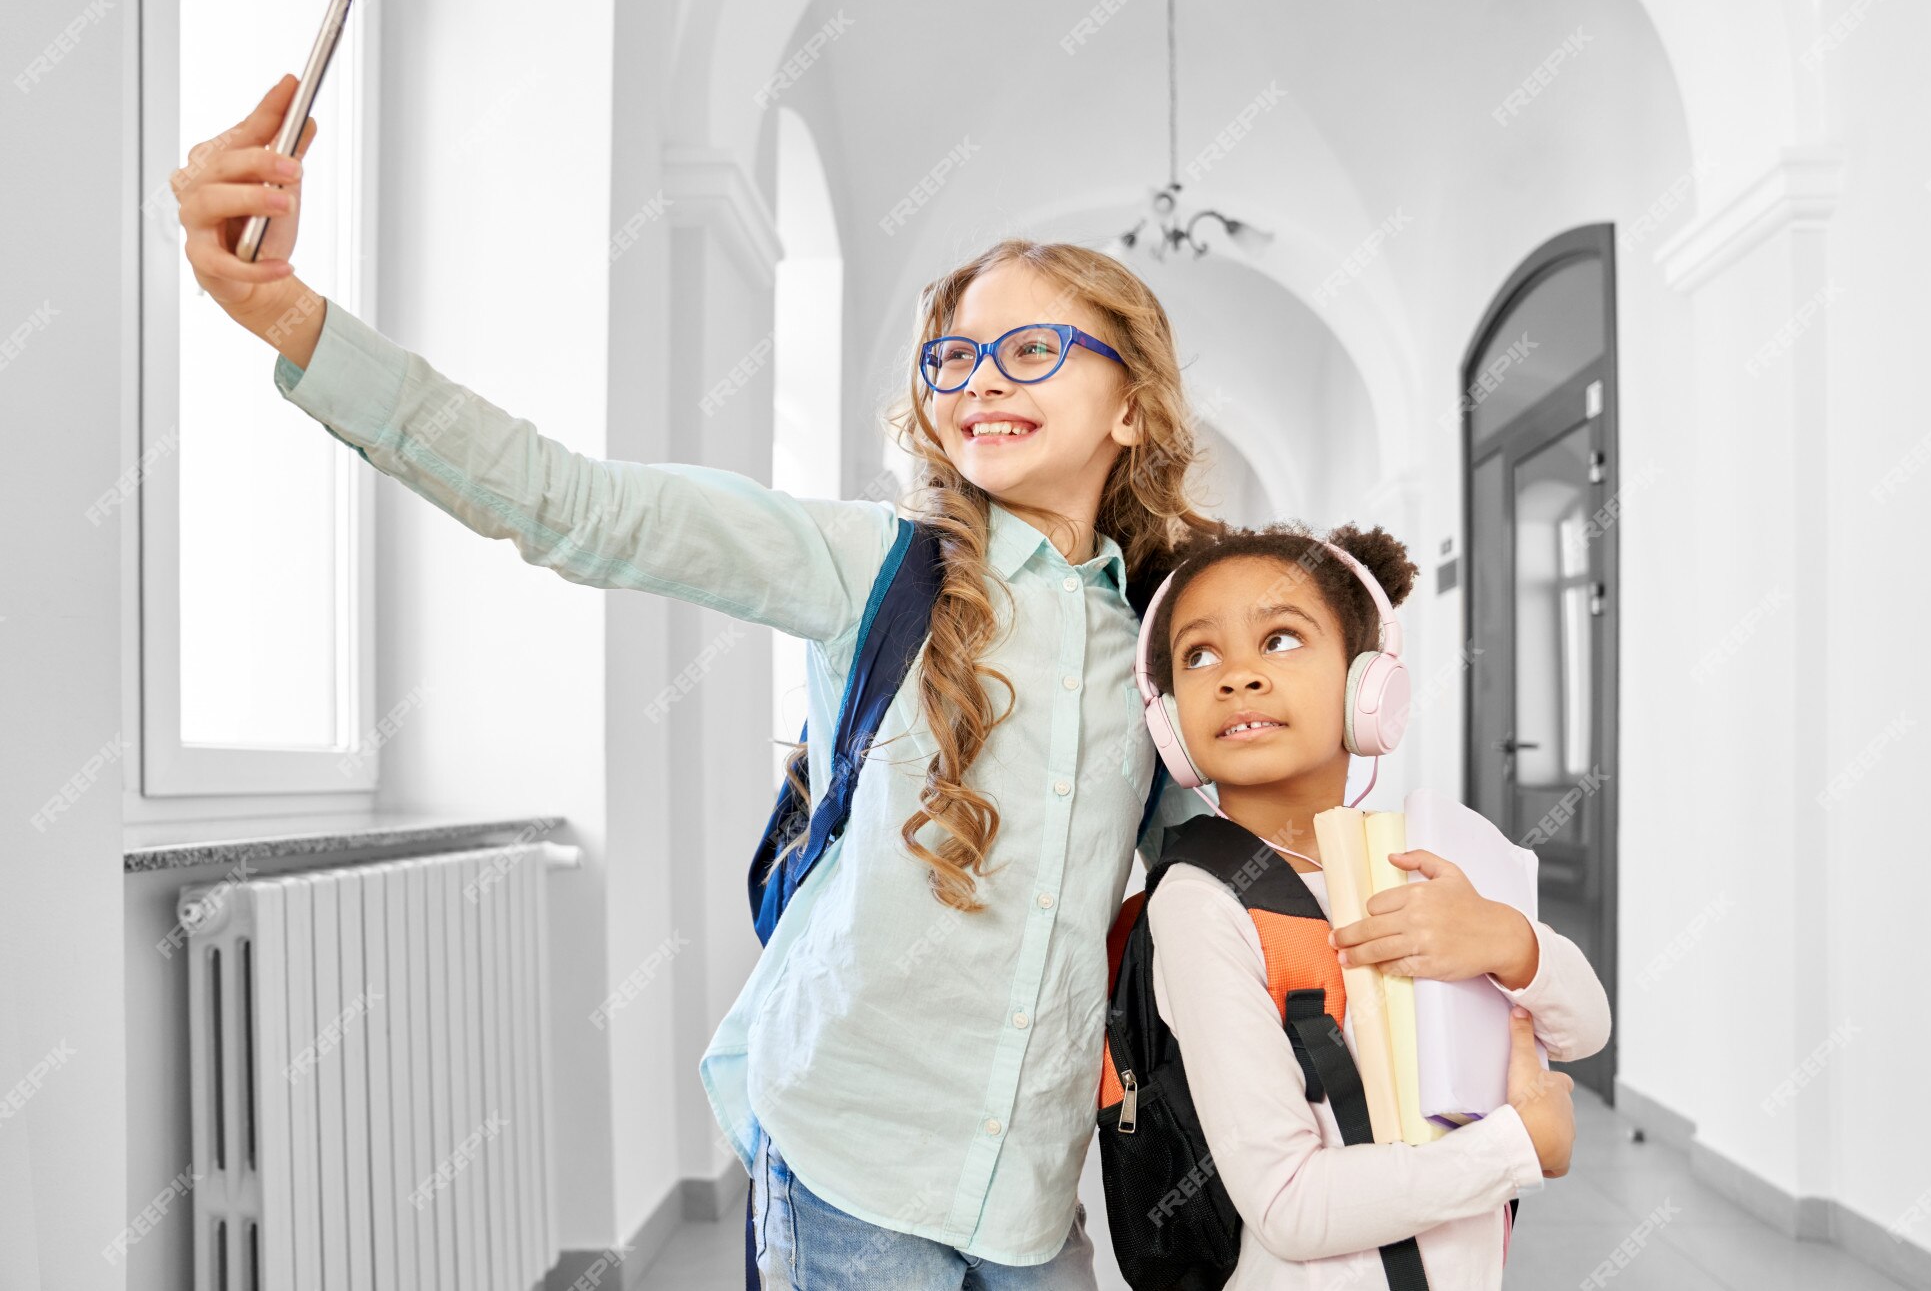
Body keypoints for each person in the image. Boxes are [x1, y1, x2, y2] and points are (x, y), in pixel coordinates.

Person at [173, 75, 1228, 1289]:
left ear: (1132, 407)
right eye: (953, 356)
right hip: (844, 1157)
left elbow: (1225, 872)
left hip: (1035, 1190)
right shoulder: (871, 564)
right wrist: (291, 317)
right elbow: (579, 506)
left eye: (1031, 350)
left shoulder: (1161, 640)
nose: (979, 379)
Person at [1139, 520, 1612, 1288]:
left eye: (1281, 640)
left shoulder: (1421, 856)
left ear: (1369, 688)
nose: (1237, 676)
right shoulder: (1202, 903)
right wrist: (1518, 1147)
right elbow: (1287, 1203)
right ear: (1171, 723)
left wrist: (1507, 943)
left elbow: (1586, 1028)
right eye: (1199, 655)